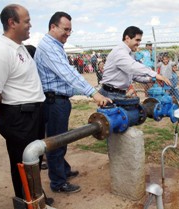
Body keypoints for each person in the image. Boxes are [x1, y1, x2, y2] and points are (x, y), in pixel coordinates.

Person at [0, 4, 53, 206]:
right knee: (24, 165)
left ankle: (35, 197)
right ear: (12, 23)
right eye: (27, 21)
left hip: (31, 115)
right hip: (20, 118)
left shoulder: (19, 48)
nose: (30, 25)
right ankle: (28, 202)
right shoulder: (1, 51)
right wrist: (7, 108)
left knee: (34, 161)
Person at [35, 11, 112, 194]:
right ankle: (58, 183)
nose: (68, 33)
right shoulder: (48, 47)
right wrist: (93, 94)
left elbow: (70, 72)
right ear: (53, 27)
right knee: (55, 142)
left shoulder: (55, 45)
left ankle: (64, 170)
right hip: (53, 102)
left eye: (71, 30)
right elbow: (68, 74)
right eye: (65, 29)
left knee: (61, 139)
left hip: (58, 101)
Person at [99, 26, 171, 100]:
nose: (139, 43)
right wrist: (155, 75)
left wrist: (149, 79)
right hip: (110, 94)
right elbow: (133, 66)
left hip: (117, 93)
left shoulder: (129, 53)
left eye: (139, 41)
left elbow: (132, 75)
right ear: (127, 38)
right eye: (137, 40)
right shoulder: (120, 52)